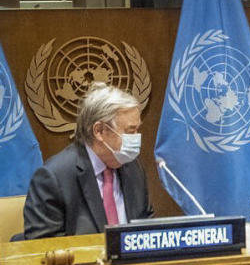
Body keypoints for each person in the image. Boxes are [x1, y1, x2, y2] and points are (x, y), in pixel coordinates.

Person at [23, 82, 154, 238]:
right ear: (99, 131)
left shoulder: (132, 167)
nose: (136, 138)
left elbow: (147, 225)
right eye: (130, 131)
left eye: (137, 130)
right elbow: (43, 246)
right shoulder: (54, 178)